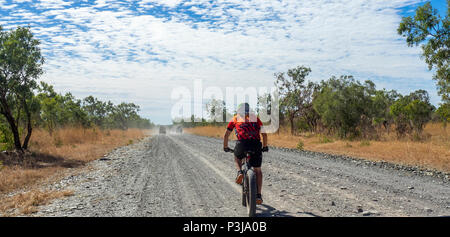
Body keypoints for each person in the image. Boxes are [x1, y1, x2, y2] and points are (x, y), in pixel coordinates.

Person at [223, 103, 268, 205]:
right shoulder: (255, 118)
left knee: (237, 156)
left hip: (242, 143)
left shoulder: (235, 118)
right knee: (257, 170)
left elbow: (226, 135)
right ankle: (258, 195)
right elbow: (264, 134)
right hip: (256, 144)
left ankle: (239, 172)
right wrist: (265, 147)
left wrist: (225, 147)